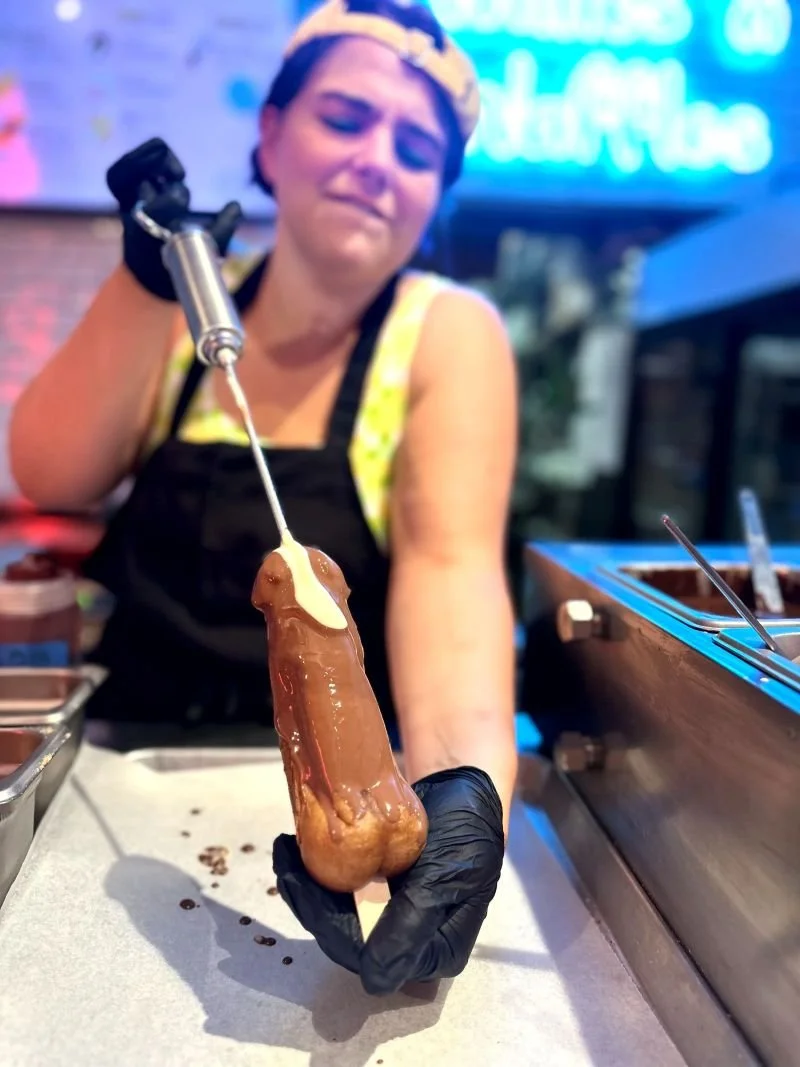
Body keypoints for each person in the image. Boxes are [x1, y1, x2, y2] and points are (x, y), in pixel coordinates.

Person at [9, 0, 518, 995]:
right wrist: (143, 278)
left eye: (417, 147)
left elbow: (450, 573)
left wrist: (462, 792)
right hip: (114, 784)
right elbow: (50, 470)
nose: (377, 158)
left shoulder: (443, 334)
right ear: (271, 133)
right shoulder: (188, 310)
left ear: (436, 192)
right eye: (344, 119)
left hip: (313, 800)